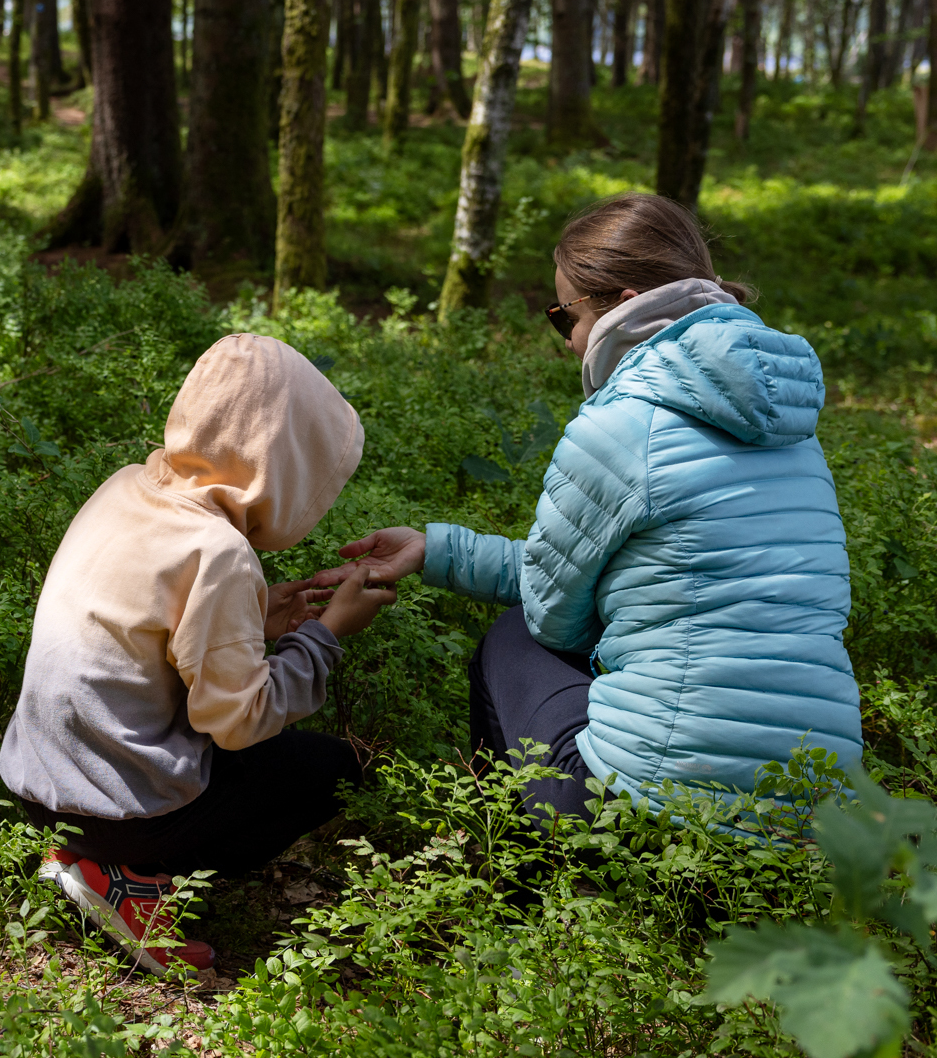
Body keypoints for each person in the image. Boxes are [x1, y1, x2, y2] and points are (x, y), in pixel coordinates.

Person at [329, 192, 861, 823]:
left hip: (659, 803)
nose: (568, 340)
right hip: (813, 811)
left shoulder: (621, 423)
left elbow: (553, 617)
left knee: (513, 640)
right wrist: (437, 550)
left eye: (565, 316)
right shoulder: (796, 435)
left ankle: (510, 875)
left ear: (626, 305)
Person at [0, 333, 399, 971]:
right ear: (282, 460)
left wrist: (258, 621)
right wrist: (326, 634)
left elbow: (142, 636)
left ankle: (75, 857)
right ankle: (135, 880)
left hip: (36, 788)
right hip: (117, 812)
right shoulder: (219, 551)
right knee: (331, 771)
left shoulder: (128, 486)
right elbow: (238, 723)